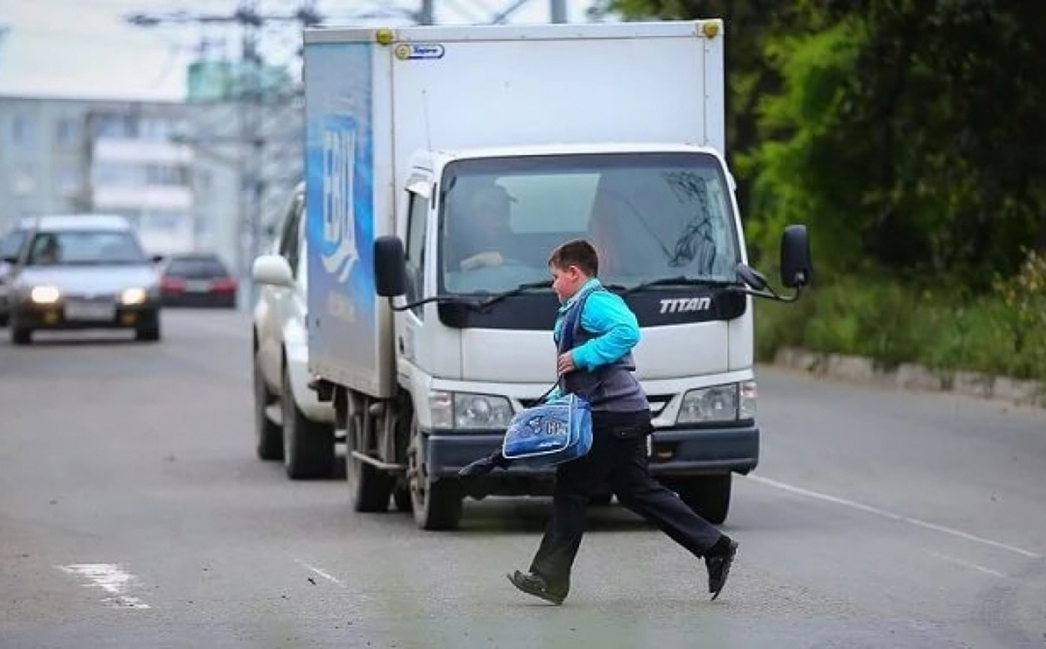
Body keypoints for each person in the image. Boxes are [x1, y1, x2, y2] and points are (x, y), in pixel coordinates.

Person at [462, 239, 738, 604]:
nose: (552, 285)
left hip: (611, 417)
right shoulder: (577, 309)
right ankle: (715, 546)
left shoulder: (594, 302)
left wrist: (581, 355)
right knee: (636, 491)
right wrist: (528, 426)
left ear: (574, 273)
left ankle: (550, 578)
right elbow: (575, 383)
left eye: (555, 277)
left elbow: (628, 330)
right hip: (624, 414)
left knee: (572, 489)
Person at [445, 183, 515, 271]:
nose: (501, 213)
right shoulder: (459, 242)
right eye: (494, 209)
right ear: (478, 212)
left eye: (505, 207)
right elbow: (446, 271)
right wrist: (476, 261)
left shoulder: (513, 241)